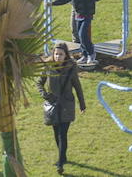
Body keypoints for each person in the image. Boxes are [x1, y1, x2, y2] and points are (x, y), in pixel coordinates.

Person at [38, 42, 86, 175]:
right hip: (52, 105)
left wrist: (82, 104)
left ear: (66, 56)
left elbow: (77, 86)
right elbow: (39, 83)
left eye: (61, 54)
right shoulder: (48, 67)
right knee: (56, 134)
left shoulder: (71, 68)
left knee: (62, 134)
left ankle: (60, 163)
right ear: (53, 54)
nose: (58, 56)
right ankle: (63, 157)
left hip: (66, 105)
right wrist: (45, 95)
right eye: (56, 54)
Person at [51, 0, 111, 66]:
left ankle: (91, 54)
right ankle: (84, 55)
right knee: (80, 35)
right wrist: (52, 3)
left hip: (88, 15)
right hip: (78, 15)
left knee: (83, 35)